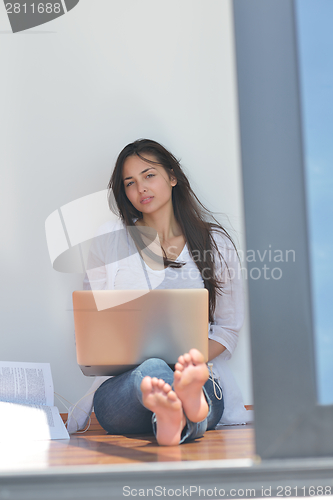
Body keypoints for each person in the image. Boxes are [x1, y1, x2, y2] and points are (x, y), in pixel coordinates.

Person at [67, 139, 249, 444]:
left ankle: (173, 418)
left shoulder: (214, 244)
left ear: (172, 177)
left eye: (149, 175)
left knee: (182, 381)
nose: (141, 188)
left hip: (198, 378)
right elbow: (91, 326)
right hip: (126, 387)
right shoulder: (108, 241)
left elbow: (228, 330)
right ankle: (185, 411)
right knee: (149, 370)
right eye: (130, 183)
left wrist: (184, 364)